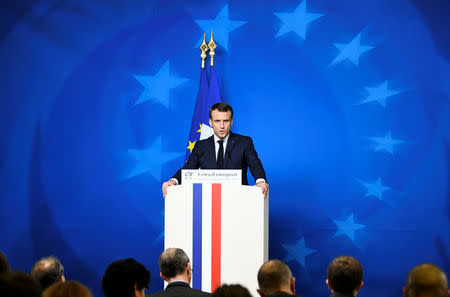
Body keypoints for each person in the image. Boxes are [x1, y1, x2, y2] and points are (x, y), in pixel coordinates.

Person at [162, 102, 268, 197]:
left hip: (237, 198)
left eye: (225, 121)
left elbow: (255, 163)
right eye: (217, 121)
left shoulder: (244, 142)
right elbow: (188, 168)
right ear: (210, 122)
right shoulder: (201, 146)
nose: (222, 126)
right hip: (208, 200)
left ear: (231, 122)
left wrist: (260, 180)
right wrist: (173, 181)